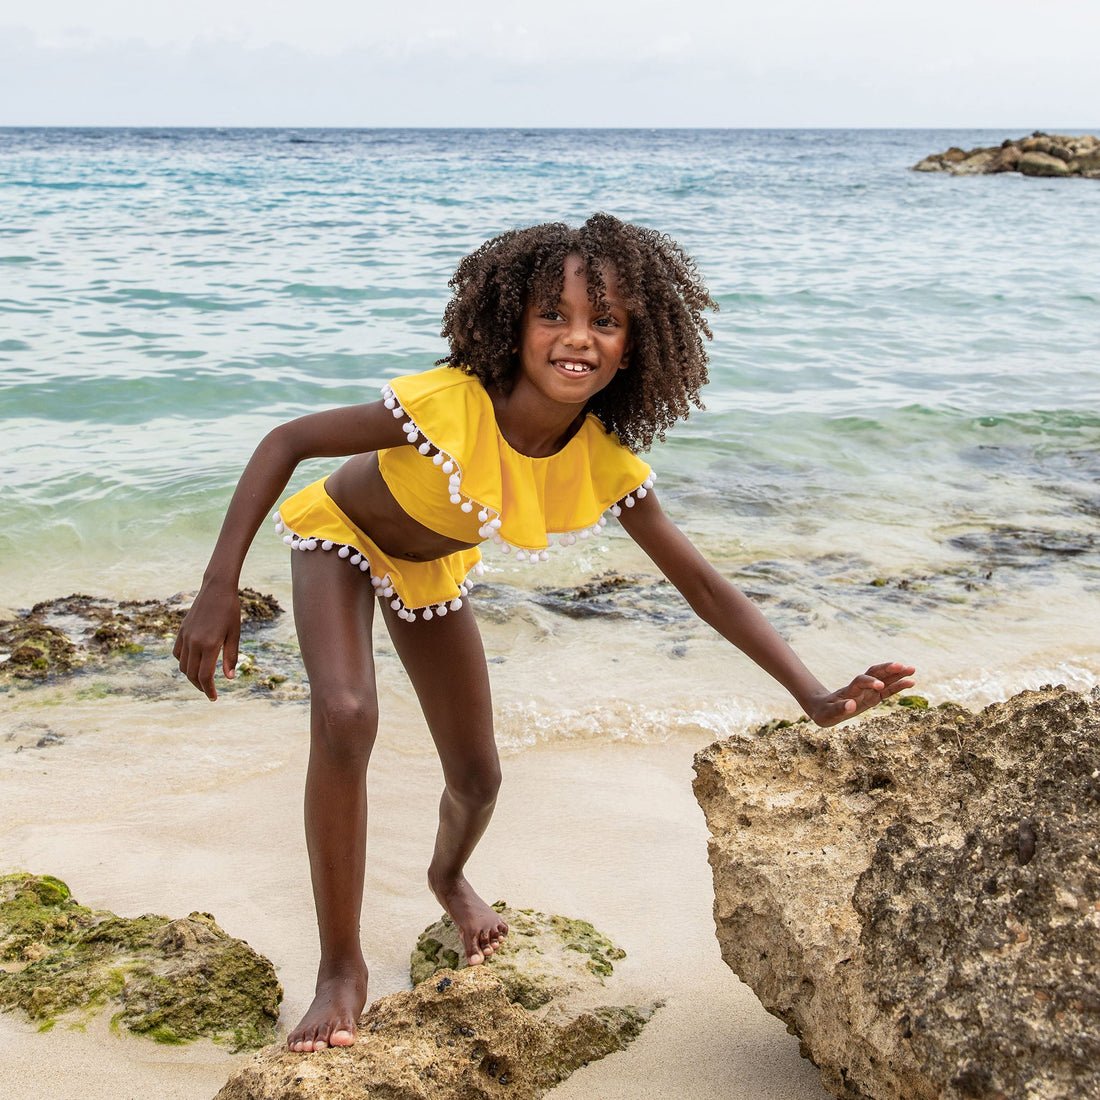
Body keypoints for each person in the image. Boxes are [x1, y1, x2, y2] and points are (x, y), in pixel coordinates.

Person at [173, 213, 915, 1053]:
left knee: (480, 777)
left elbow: (703, 584)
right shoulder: (451, 406)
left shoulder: (600, 458)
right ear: (513, 326)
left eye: (605, 322)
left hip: (428, 570)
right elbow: (289, 440)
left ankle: (447, 878)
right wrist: (218, 584)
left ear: (634, 348)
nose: (578, 338)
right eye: (553, 315)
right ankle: (340, 969)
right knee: (347, 715)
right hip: (341, 536)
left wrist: (812, 693)